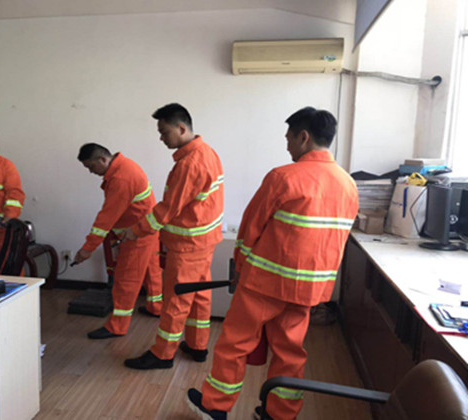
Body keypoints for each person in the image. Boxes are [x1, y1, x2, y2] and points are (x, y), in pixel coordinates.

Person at [186, 107, 359, 420]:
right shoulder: (348, 185)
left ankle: (215, 407)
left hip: (265, 283)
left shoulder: (283, 177)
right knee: (290, 352)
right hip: (309, 290)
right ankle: (280, 414)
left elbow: (250, 228)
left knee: (235, 344)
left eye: (289, 139)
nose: (287, 146)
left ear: (303, 137)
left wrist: (239, 268)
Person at [123, 103, 224, 369]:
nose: (161, 138)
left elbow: (167, 210)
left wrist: (134, 231)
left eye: (164, 132)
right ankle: (197, 345)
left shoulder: (189, 164)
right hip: (204, 241)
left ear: (181, 128)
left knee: (176, 300)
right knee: (199, 294)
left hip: (187, 245)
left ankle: (162, 354)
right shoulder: (207, 152)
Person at [74, 143, 164, 339]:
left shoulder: (121, 178)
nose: (91, 172)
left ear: (102, 159)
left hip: (137, 234)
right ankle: (156, 307)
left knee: (125, 281)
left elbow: (106, 217)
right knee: (152, 271)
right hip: (147, 229)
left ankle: (117, 326)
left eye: (91, 167)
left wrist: (87, 248)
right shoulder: (124, 167)